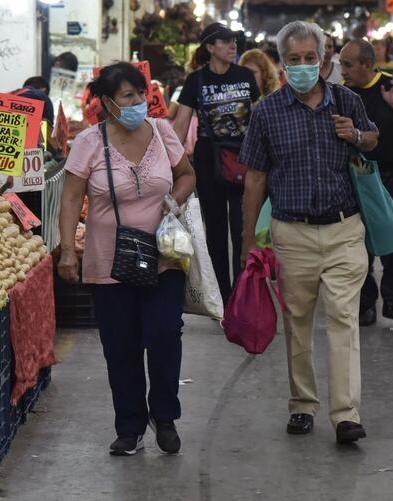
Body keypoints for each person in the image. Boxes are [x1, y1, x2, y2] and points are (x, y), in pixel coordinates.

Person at [239, 21, 379, 444]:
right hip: (291, 233)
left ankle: (346, 414)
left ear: (325, 59)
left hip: (344, 231)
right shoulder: (267, 112)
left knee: (343, 320)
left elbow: (373, 139)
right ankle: (302, 404)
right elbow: (254, 180)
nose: (302, 67)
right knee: (297, 321)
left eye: (310, 58)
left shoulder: (348, 101)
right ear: (282, 64)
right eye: (293, 60)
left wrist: (354, 134)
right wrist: (248, 241)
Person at [57, 62, 196, 456]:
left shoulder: (161, 131)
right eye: (127, 97)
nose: (137, 103)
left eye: (140, 94)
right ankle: (130, 426)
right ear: (106, 103)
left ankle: (164, 415)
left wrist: (174, 199)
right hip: (108, 260)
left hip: (163, 254)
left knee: (165, 334)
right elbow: (70, 197)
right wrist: (68, 249)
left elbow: (187, 174)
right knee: (121, 346)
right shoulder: (88, 143)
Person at [339, 39, 393, 326]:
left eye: (348, 65)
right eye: (342, 64)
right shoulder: (341, 93)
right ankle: (365, 303)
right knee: (359, 240)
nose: (344, 70)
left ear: (367, 64)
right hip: (356, 175)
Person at [173, 22, 261, 301]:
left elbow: (258, 117)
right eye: (225, 41)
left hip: (243, 159)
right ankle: (222, 293)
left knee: (242, 226)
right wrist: (168, 160)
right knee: (215, 231)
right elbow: (181, 124)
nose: (232, 46)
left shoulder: (246, 76)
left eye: (234, 40)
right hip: (209, 160)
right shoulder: (195, 81)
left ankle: (241, 292)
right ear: (210, 47)